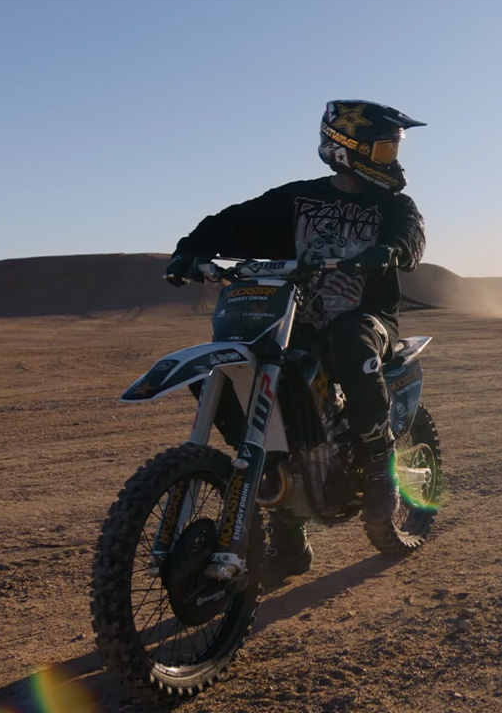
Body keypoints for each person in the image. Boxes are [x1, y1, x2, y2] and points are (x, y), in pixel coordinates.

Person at [164, 99, 427, 582]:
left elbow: (411, 236)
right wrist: (190, 250)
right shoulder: (296, 198)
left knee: (352, 344)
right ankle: (287, 530)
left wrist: (389, 249)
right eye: (385, 149)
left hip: (365, 318)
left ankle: (378, 469)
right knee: (241, 381)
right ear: (347, 150)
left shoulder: (393, 205)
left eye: (393, 149)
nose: (393, 159)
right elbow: (230, 221)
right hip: (294, 322)